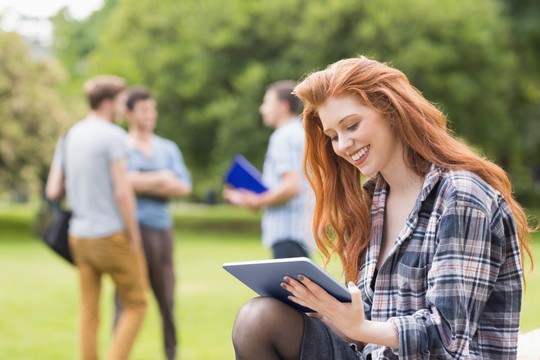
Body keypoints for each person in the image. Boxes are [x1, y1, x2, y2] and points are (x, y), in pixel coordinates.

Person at [230, 56, 535, 359]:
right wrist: (328, 312)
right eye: (333, 136)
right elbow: (370, 322)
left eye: (352, 125)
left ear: (391, 111)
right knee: (259, 318)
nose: (343, 145)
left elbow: (447, 337)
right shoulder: (373, 200)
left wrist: (361, 327)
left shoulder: (461, 195)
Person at [45, 75, 148, 360]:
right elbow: (123, 193)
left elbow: (53, 189)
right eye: (120, 102)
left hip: (79, 236)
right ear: (107, 102)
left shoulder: (69, 135)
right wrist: (134, 233)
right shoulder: (113, 136)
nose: (122, 108)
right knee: (137, 304)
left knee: (89, 313)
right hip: (112, 235)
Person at [114, 86, 192, 360]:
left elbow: (184, 186)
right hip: (130, 233)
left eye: (153, 109)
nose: (151, 115)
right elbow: (121, 183)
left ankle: (171, 355)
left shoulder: (167, 147)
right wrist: (161, 178)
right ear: (128, 113)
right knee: (125, 301)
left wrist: (140, 181)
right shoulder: (120, 146)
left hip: (162, 233)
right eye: (145, 110)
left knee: (167, 300)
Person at [223, 80, 313, 259]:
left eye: (267, 103)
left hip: (286, 233)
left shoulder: (282, 137)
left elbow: (291, 186)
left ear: (283, 106)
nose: (262, 109)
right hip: (301, 232)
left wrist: (257, 201)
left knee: (288, 287)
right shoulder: (302, 134)